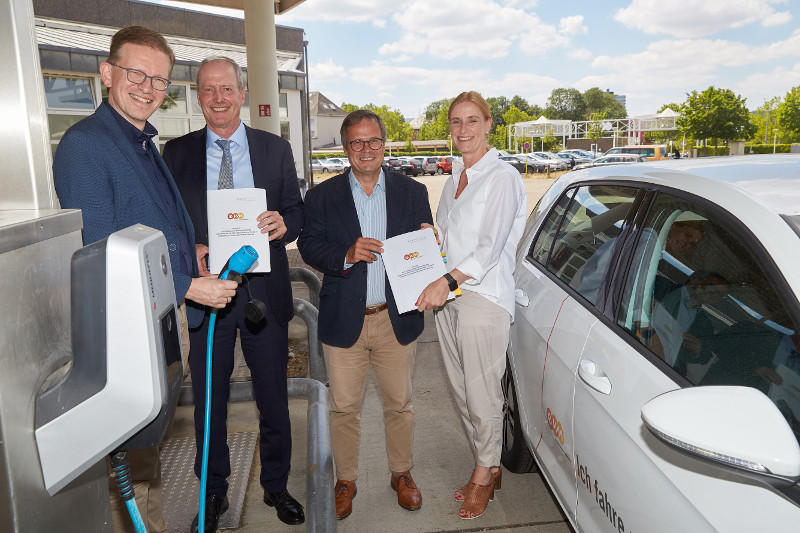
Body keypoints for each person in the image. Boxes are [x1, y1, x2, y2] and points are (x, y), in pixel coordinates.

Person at [53, 26, 238, 533]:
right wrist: (186, 286)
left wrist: (189, 249)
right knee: (125, 475)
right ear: (108, 73)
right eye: (136, 73)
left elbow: (146, 225)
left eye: (159, 79)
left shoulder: (141, 142)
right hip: (125, 330)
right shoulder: (87, 145)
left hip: (153, 322)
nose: (148, 86)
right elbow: (101, 250)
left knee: (143, 459)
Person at [162, 56, 305, 531]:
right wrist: (191, 247)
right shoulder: (176, 154)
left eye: (227, 89)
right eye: (208, 90)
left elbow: (295, 212)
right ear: (197, 96)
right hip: (208, 295)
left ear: (243, 94)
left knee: (273, 396)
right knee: (209, 399)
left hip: (264, 291)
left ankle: (277, 485)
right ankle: (213, 492)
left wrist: (285, 225)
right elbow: (168, 224)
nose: (218, 98)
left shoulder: (274, 149)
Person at [297, 109, 433, 520]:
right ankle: (346, 480)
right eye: (357, 142)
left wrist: (430, 246)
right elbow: (309, 245)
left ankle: (401, 473)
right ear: (345, 148)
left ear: (384, 144)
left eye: (373, 141)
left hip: (396, 319)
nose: (366, 149)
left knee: (400, 403)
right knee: (343, 407)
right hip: (344, 320)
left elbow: (424, 245)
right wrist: (345, 254)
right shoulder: (323, 196)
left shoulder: (412, 192)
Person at [416, 91, 527, 520]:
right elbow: (451, 239)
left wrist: (446, 281)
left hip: (481, 296)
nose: (463, 130)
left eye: (471, 121)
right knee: (462, 391)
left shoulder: (501, 177)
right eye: (456, 123)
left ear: (488, 124)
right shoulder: (453, 177)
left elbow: (489, 248)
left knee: (482, 393)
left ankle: (485, 473)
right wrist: (433, 237)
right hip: (451, 296)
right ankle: (487, 463)